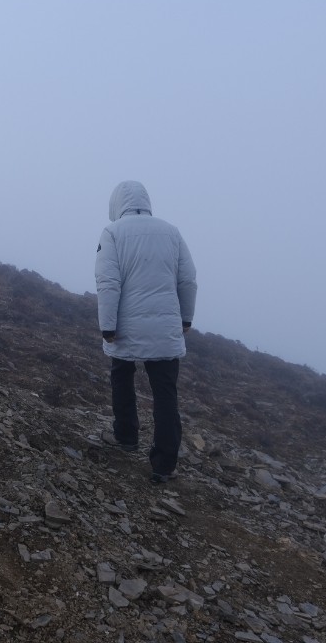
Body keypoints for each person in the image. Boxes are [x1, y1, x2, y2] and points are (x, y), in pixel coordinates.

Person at [95, 180, 197, 483]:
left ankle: (126, 436)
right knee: (165, 393)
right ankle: (163, 465)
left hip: (126, 326)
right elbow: (188, 280)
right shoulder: (171, 231)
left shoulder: (112, 233)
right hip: (166, 327)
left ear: (116, 205)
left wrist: (107, 326)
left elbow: (108, 282)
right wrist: (185, 319)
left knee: (122, 376)